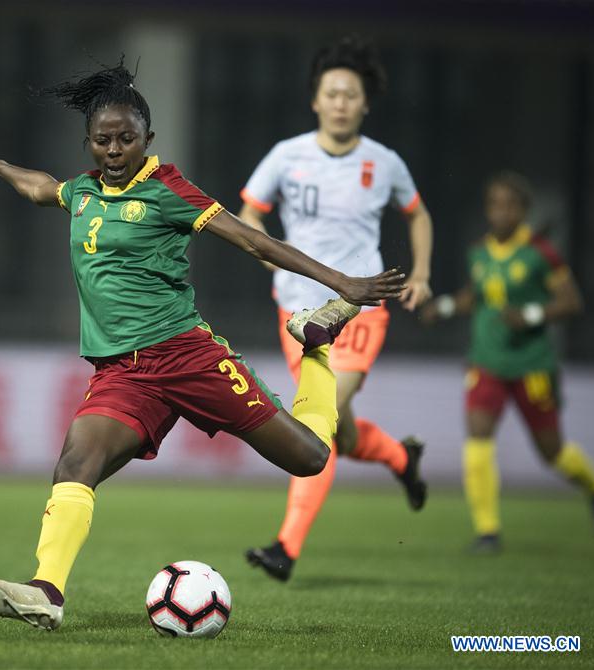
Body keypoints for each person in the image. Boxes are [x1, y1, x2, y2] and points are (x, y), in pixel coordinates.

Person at [0, 62, 406, 630]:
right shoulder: (83, 192)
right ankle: (47, 591)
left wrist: (341, 284)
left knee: (310, 458)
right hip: (121, 373)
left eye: (126, 139)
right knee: (76, 461)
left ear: (148, 139)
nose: (113, 150)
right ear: (88, 142)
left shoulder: (167, 189)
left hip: (187, 357)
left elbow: (253, 241)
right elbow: (41, 187)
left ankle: (316, 343)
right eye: (102, 140)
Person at [240, 35, 433, 581]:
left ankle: (286, 547)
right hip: (297, 315)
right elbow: (248, 214)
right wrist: (270, 260)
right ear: (315, 100)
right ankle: (401, 458)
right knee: (340, 432)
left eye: (351, 94)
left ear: (365, 104)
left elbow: (418, 214)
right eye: (332, 93)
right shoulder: (287, 156)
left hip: (359, 311)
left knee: (317, 424)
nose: (341, 102)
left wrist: (420, 274)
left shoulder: (384, 162)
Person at [421, 170, 594, 553]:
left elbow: (571, 302)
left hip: (531, 363)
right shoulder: (479, 252)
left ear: (523, 210)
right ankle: (487, 531)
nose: (500, 212)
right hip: (486, 360)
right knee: (477, 437)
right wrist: (444, 306)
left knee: (552, 452)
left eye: (509, 205)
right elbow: (476, 295)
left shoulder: (541, 253)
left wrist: (532, 315)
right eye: (494, 205)